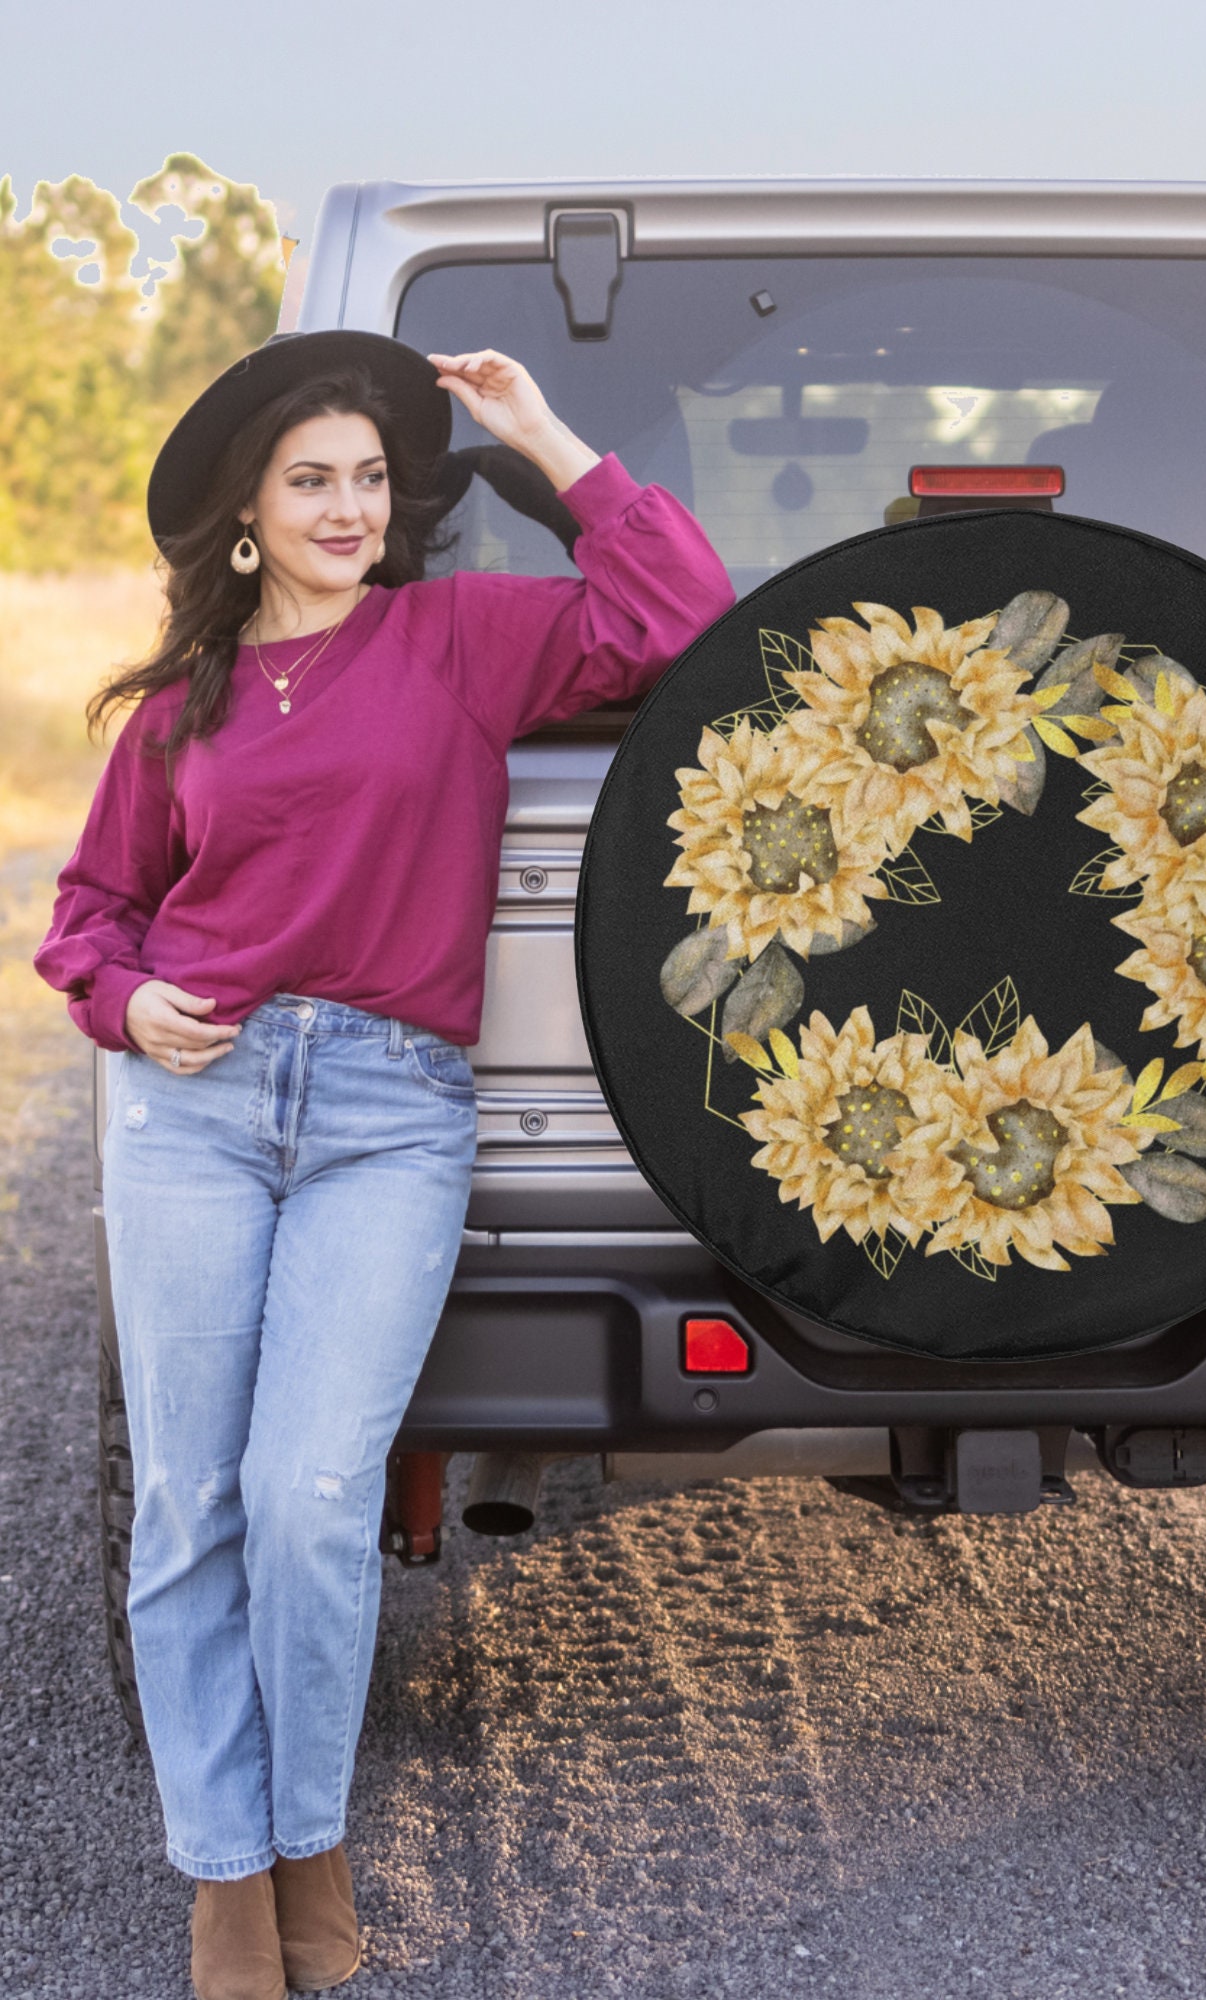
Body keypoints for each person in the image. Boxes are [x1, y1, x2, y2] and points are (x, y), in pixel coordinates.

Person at [35, 331, 733, 2000]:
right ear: (247, 515)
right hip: (198, 1111)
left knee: (309, 1498)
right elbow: (89, 917)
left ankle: (309, 1837)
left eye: (367, 479)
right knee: (188, 1505)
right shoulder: (177, 712)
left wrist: (544, 433)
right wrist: (128, 1003)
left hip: (389, 1115)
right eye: (311, 482)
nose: (348, 508)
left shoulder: (459, 641)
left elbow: (681, 614)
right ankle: (226, 1882)